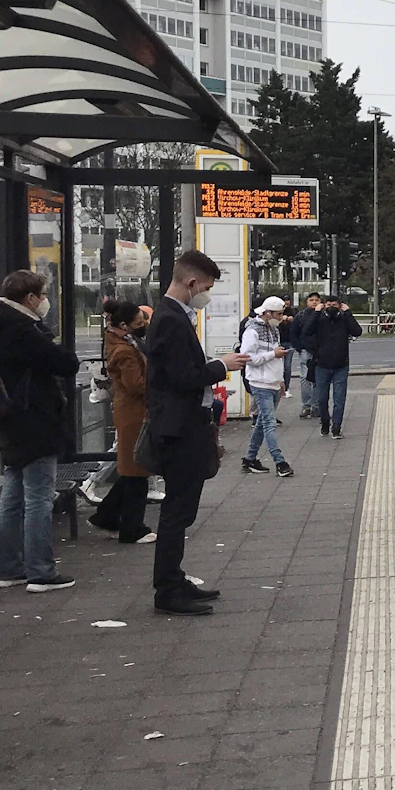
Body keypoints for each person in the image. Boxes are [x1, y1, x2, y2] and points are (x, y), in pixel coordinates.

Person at [145, 250, 250, 616]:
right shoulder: (172, 320)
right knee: (177, 512)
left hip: (179, 425)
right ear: (191, 283)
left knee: (181, 510)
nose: (206, 294)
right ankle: (168, 589)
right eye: (205, 287)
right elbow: (183, 378)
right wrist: (223, 365)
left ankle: (174, 579)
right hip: (179, 429)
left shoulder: (170, 316)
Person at [0, 270, 80, 592]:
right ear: (30, 299)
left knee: (11, 496)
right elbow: (65, 362)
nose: (45, 301)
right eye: (43, 294)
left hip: (11, 421)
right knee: (38, 497)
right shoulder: (22, 330)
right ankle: (40, 571)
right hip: (35, 421)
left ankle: (6, 568)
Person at [86, 300, 155, 544]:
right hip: (134, 414)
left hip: (133, 412)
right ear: (124, 325)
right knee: (136, 469)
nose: (144, 325)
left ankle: (106, 515)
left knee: (131, 469)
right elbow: (136, 385)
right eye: (139, 323)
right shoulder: (123, 350)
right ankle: (132, 528)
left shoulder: (124, 342)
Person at [239, 296, 293, 476]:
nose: (281, 317)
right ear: (267, 313)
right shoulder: (252, 331)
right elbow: (247, 358)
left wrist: (280, 381)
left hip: (272, 382)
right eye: (278, 314)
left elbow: (274, 356)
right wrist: (272, 355)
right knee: (269, 422)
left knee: (263, 422)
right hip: (259, 383)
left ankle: (250, 458)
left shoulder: (273, 329)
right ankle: (279, 461)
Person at [310, 295, 362, 439]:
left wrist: (348, 313)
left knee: (339, 399)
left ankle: (337, 427)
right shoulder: (319, 320)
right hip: (322, 365)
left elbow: (357, 331)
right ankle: (325, 421)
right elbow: (307, 331)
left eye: (334, 304)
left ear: (340, 306)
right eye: (328, 304)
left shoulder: (344, 319)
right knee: (321, 398)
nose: (331, 307)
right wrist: (316, 313)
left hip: (341, 365)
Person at [293, 293, 323, 418]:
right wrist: (300, 348)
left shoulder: (323, 315)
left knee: (319, 379)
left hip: (320, 351)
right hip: (306, 350)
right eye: (312, 300)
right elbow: (294, 333)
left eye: (317, 300)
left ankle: (316, 406)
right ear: (307, 302)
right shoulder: (301, 316)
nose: (314, 302)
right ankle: (306, 405)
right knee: (305, 378)